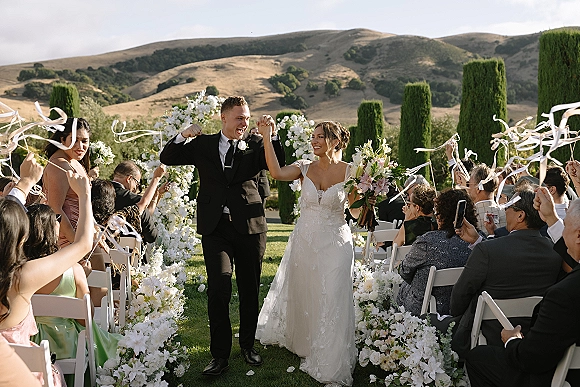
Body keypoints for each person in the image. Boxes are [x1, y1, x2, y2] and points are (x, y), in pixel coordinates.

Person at [159, 96, 286, 376]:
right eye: (239, 117)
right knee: (219, 289)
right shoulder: (203, 145)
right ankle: (219, 356)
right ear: (224, 117)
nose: (244, 122)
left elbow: (279, 162)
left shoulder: (255, 143)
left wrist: (272, 136)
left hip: (251, 227)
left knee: (250, 288)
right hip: (215, 227)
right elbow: (167, 157)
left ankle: (249, 346)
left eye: (247, 117)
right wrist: (183, 135)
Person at [256, 120, 358, 386]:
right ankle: (306, 342)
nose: (314, 141)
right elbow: (276, 172)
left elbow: (357, 211)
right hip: (305, 241)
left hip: (336, 242)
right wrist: (268, 136)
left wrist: (372, 190)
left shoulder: (352, 172)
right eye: (312, 137)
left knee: (333, 294)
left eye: (320, 137)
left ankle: (331, 359)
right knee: (308, 291)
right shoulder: (303, 167)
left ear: (335, 141)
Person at [0, 153, 93, 387]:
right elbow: (83, 243)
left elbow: (5, 223)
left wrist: (22, 186)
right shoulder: (21, 279)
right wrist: (84, 194)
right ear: (21, 237)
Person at [464, 198, 580, 387]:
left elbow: (531, 359)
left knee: (478, 357)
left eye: (565, 224)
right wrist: (551, 218)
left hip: (557, 377)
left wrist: (512, 341)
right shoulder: (560, 267)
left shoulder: (563, 295)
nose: (563, 231)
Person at [450, 186, 562, 358]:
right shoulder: (556, 251)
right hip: (537, 338)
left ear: (520, 215)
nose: (504, 212)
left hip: (487, 339)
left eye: (508, 207)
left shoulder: (487, 251)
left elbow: (457, 301)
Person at [24, 204, 121, 386]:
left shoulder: (19, 274)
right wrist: (83, 277)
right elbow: (87, 319)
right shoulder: (74, 270)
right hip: (69, 347)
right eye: (57, 220)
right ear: (51, 231)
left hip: (30, 345)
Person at [396, 189, 476, 316]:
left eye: (437, 212)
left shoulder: (427, 242)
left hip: (425, 310)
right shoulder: (479, 242)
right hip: (464, 310)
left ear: (441, 215)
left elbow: (404, 271)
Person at [43, 117, 91, 247]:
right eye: (74, 140)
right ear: (62, 139)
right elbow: (55, 209)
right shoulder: (59, 165)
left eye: (84, 141)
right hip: (67, 238)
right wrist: (76, 244)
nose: (80, 146)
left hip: (82, 232)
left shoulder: (73, 161)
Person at [110, 160, 164, 244]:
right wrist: (156, 178)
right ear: (129, 179)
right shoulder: (134, 200)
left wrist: (157, 195)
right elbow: (151, 236)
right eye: (137, 183)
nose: (136, 188)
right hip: (125, 253)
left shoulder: (97, 190)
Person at [467, 164, 507, 236]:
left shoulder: (468, 217)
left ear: (478, 188)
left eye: (468, 184)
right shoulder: (507, 213)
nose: (467, 189)